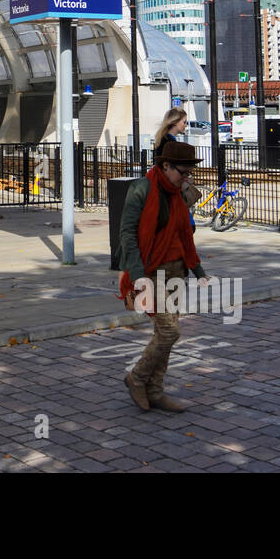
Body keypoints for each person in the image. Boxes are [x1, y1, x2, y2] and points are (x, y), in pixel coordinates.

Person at [113, 141, 208, 413]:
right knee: (170, 331)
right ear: (165, 165)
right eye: (183, 172)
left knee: (164, 333)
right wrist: (139, 276)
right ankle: (136, 378)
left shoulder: (178, 193)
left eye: (190, 173)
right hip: (150, 270)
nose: (186, 178)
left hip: (177, 270)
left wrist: (197, 270)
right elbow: (127, 235)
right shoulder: (142, 189)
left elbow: (184, 236)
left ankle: (155, 391)